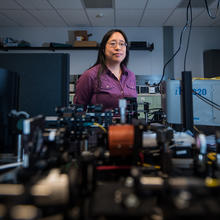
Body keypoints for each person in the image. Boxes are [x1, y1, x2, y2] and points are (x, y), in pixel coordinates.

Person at [74, 29, 137, 110]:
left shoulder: (131, 76)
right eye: (113, 43)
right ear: (103, 49)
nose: (118, 48)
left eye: (122, 44)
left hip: (128, 123)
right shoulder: (89, 76)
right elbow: (79, 109)